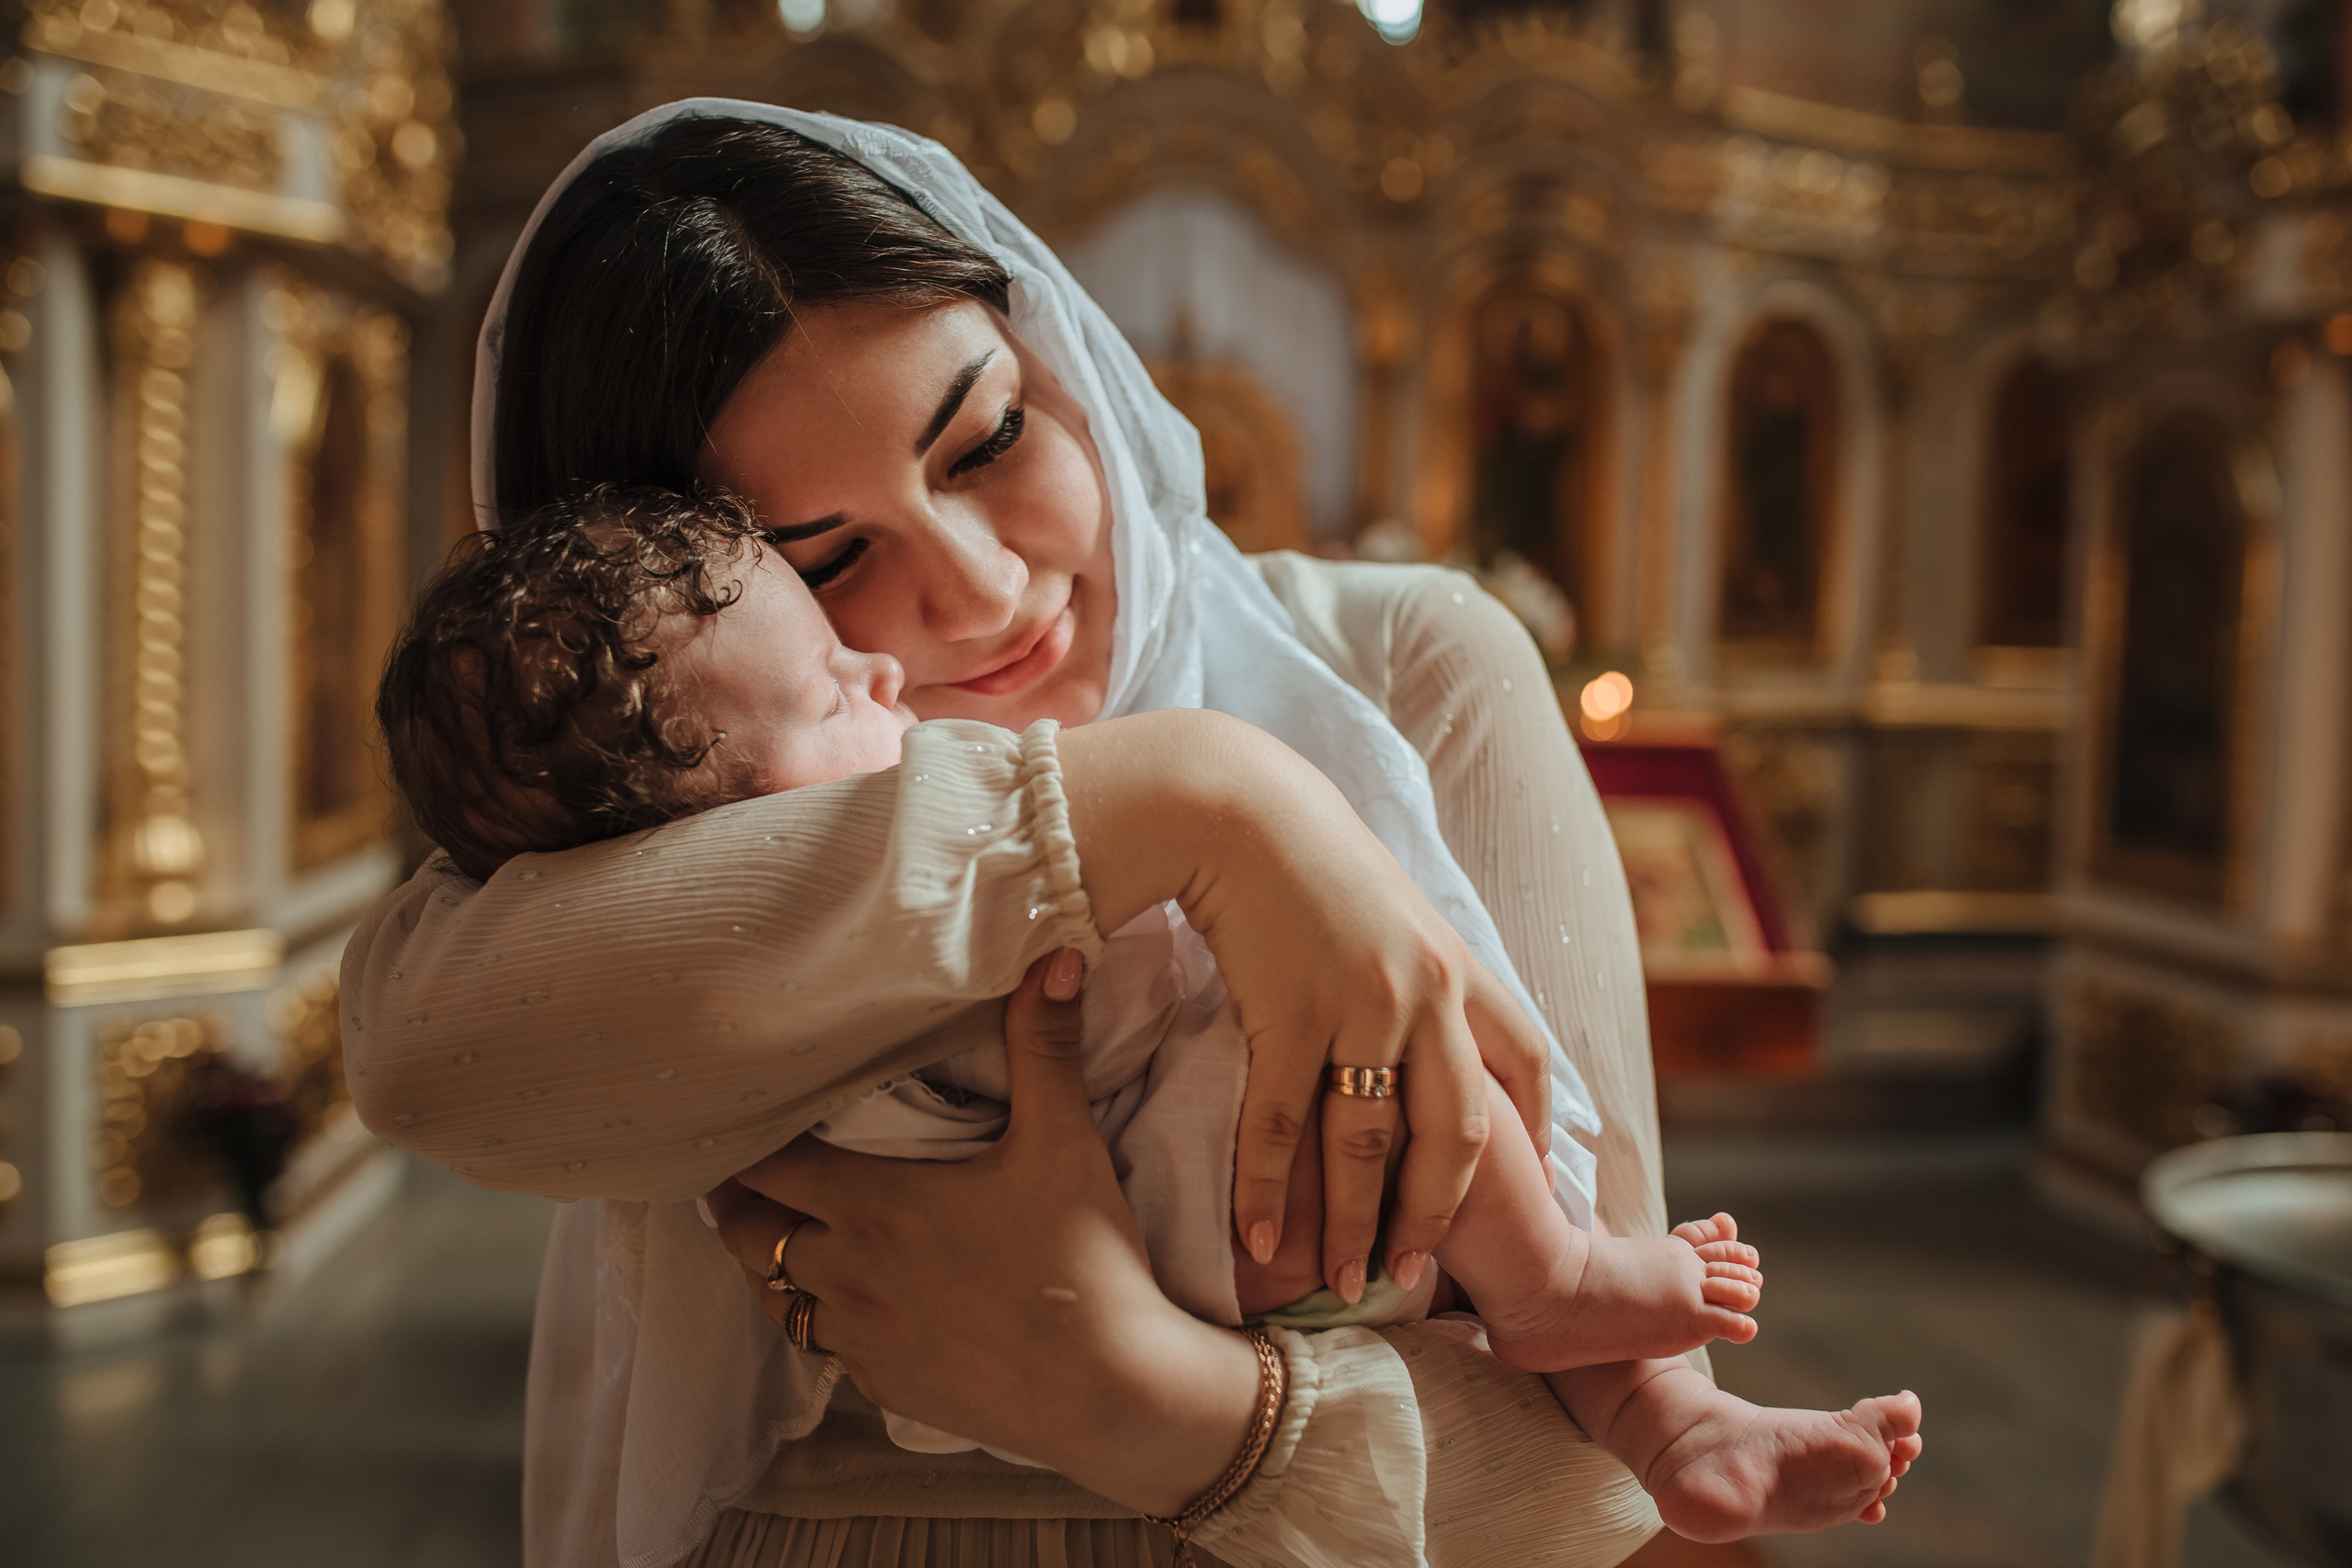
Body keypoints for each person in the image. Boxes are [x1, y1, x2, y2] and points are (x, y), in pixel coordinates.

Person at [343, 100, 1921, 1567]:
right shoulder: (611, 779)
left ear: (1055, 353)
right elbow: (422, 1060)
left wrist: (1142, 1393)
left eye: (990, 441)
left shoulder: (1404, 667)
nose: (972, 592)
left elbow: (1589, 1491)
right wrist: (1205, 806)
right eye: (821, 562)